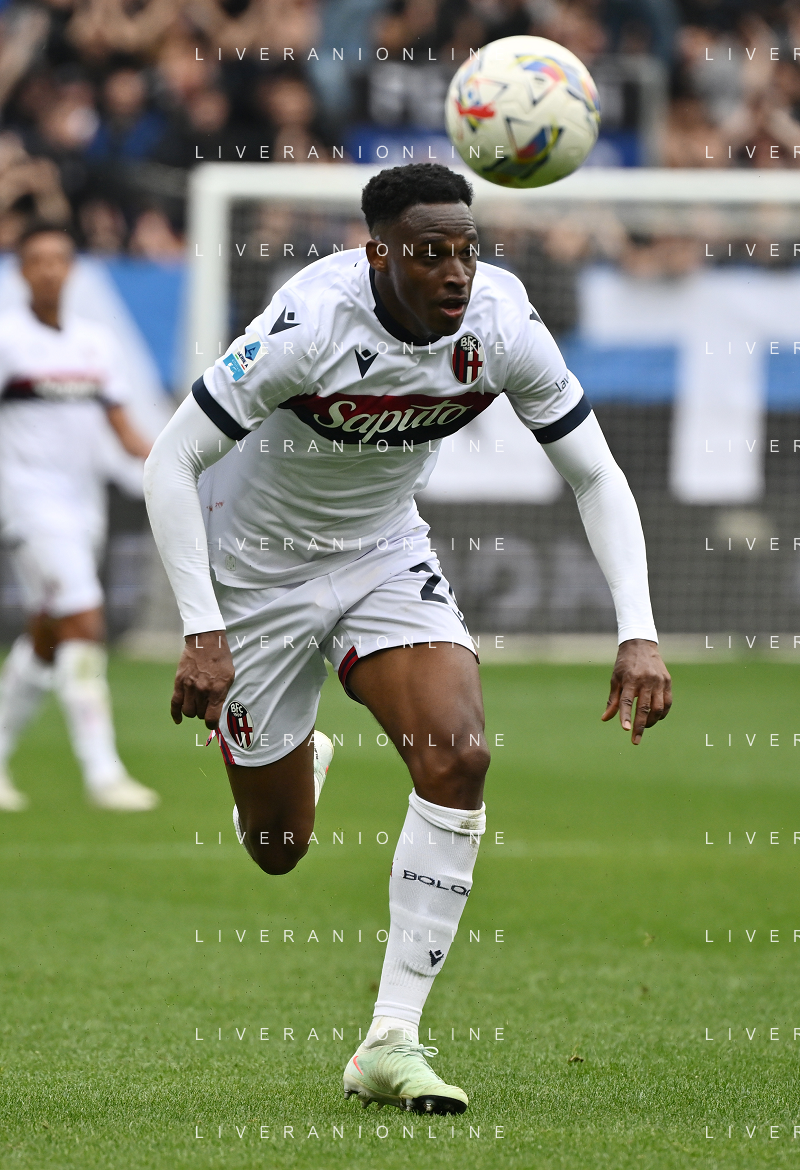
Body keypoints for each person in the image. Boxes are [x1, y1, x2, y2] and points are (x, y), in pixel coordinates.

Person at [144, 163, 672, 1115]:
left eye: (467, 249)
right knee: (277, 846)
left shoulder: (501, 321)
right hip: (258, 571)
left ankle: (390, 1038)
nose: (456, 271)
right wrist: (202, 629)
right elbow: (171, 459)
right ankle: (292, 761)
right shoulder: (311, 323)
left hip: (384, 553)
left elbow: (595, 474)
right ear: (377, 253)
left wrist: (637, 631)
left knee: (459, 757)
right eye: (430, 252)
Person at [0, 222, 158, 812]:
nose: (49, 270)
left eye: (60, 259)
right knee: (85, 621)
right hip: (26, 503)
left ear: (72, 269)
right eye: (37, 260)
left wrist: (178, 462)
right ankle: (103, 773)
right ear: (22, 271)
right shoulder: (7, 338)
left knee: (49, 635)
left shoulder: (96, 343)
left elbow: (123, 429)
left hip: (83, 505)